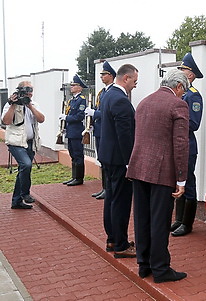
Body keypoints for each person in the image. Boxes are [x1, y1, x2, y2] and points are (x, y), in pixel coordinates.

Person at [126, 69, 189, 283]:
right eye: (184, 91)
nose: (183, 96)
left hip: (139, 167)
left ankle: (144, 265)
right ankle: (161, 269)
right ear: (178, 86)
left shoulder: (144, 101)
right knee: (160, 221)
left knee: (142, 218)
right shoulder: (177, 104)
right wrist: (181, 179)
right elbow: (180, 144)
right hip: (162, 171)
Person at [98, 64, 138, 258]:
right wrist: (130, 162)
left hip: (108, 156)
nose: (135, 85)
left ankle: (112, 239)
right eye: (135, 81)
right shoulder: (120, 99)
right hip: (120, 159)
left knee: (111, 199)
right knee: (120, 202)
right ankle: (121, 245)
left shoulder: (107, 95)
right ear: (126, 78)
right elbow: (125, 134)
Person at [171, 52, 204, 237]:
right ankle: (178, 219)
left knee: (188, 182)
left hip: (188, 146)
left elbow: (194, 123)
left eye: (183, 69)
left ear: (190, 75)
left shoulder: (193, 96)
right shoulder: (179, 93)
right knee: (178, 181)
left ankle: (187, 223)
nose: (180, 72)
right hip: (177, 144)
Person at [1, 81, 45, 209]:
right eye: (26, 91)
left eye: (31, 91)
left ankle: (16, 201)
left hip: (30, 143)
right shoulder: (10, 105)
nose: (29, 93)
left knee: (24, 169)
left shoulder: (33, 104)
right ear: (19, 91)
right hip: (16, 142)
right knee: (26, 165)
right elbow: (7, 121)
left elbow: (41, 119)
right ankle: (25, 194)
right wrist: (13, 105)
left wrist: (30, 106)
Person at [85, 61, 116, 200]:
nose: (101, 77)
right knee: (102, 160)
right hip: (99, 129)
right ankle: (104, 187)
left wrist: (94, 114)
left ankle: (108, 189)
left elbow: (106, 112)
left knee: (107, 161)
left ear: (111, 75)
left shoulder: (113, 91)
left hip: (106, 130)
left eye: (104, 74)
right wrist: (91, 123)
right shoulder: (102, 92)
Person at [59, 74, 87, 186]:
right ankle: (74, 176)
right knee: (72, 154)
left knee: (78, 154)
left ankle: (79, 178)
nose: (71, 87)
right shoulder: (71, 101)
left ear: (80, 87)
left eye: (74, 85)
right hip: (70, 131)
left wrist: (67, 118)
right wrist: (64, 127)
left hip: (76, 131)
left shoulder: (82, 100)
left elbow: (79, 117)